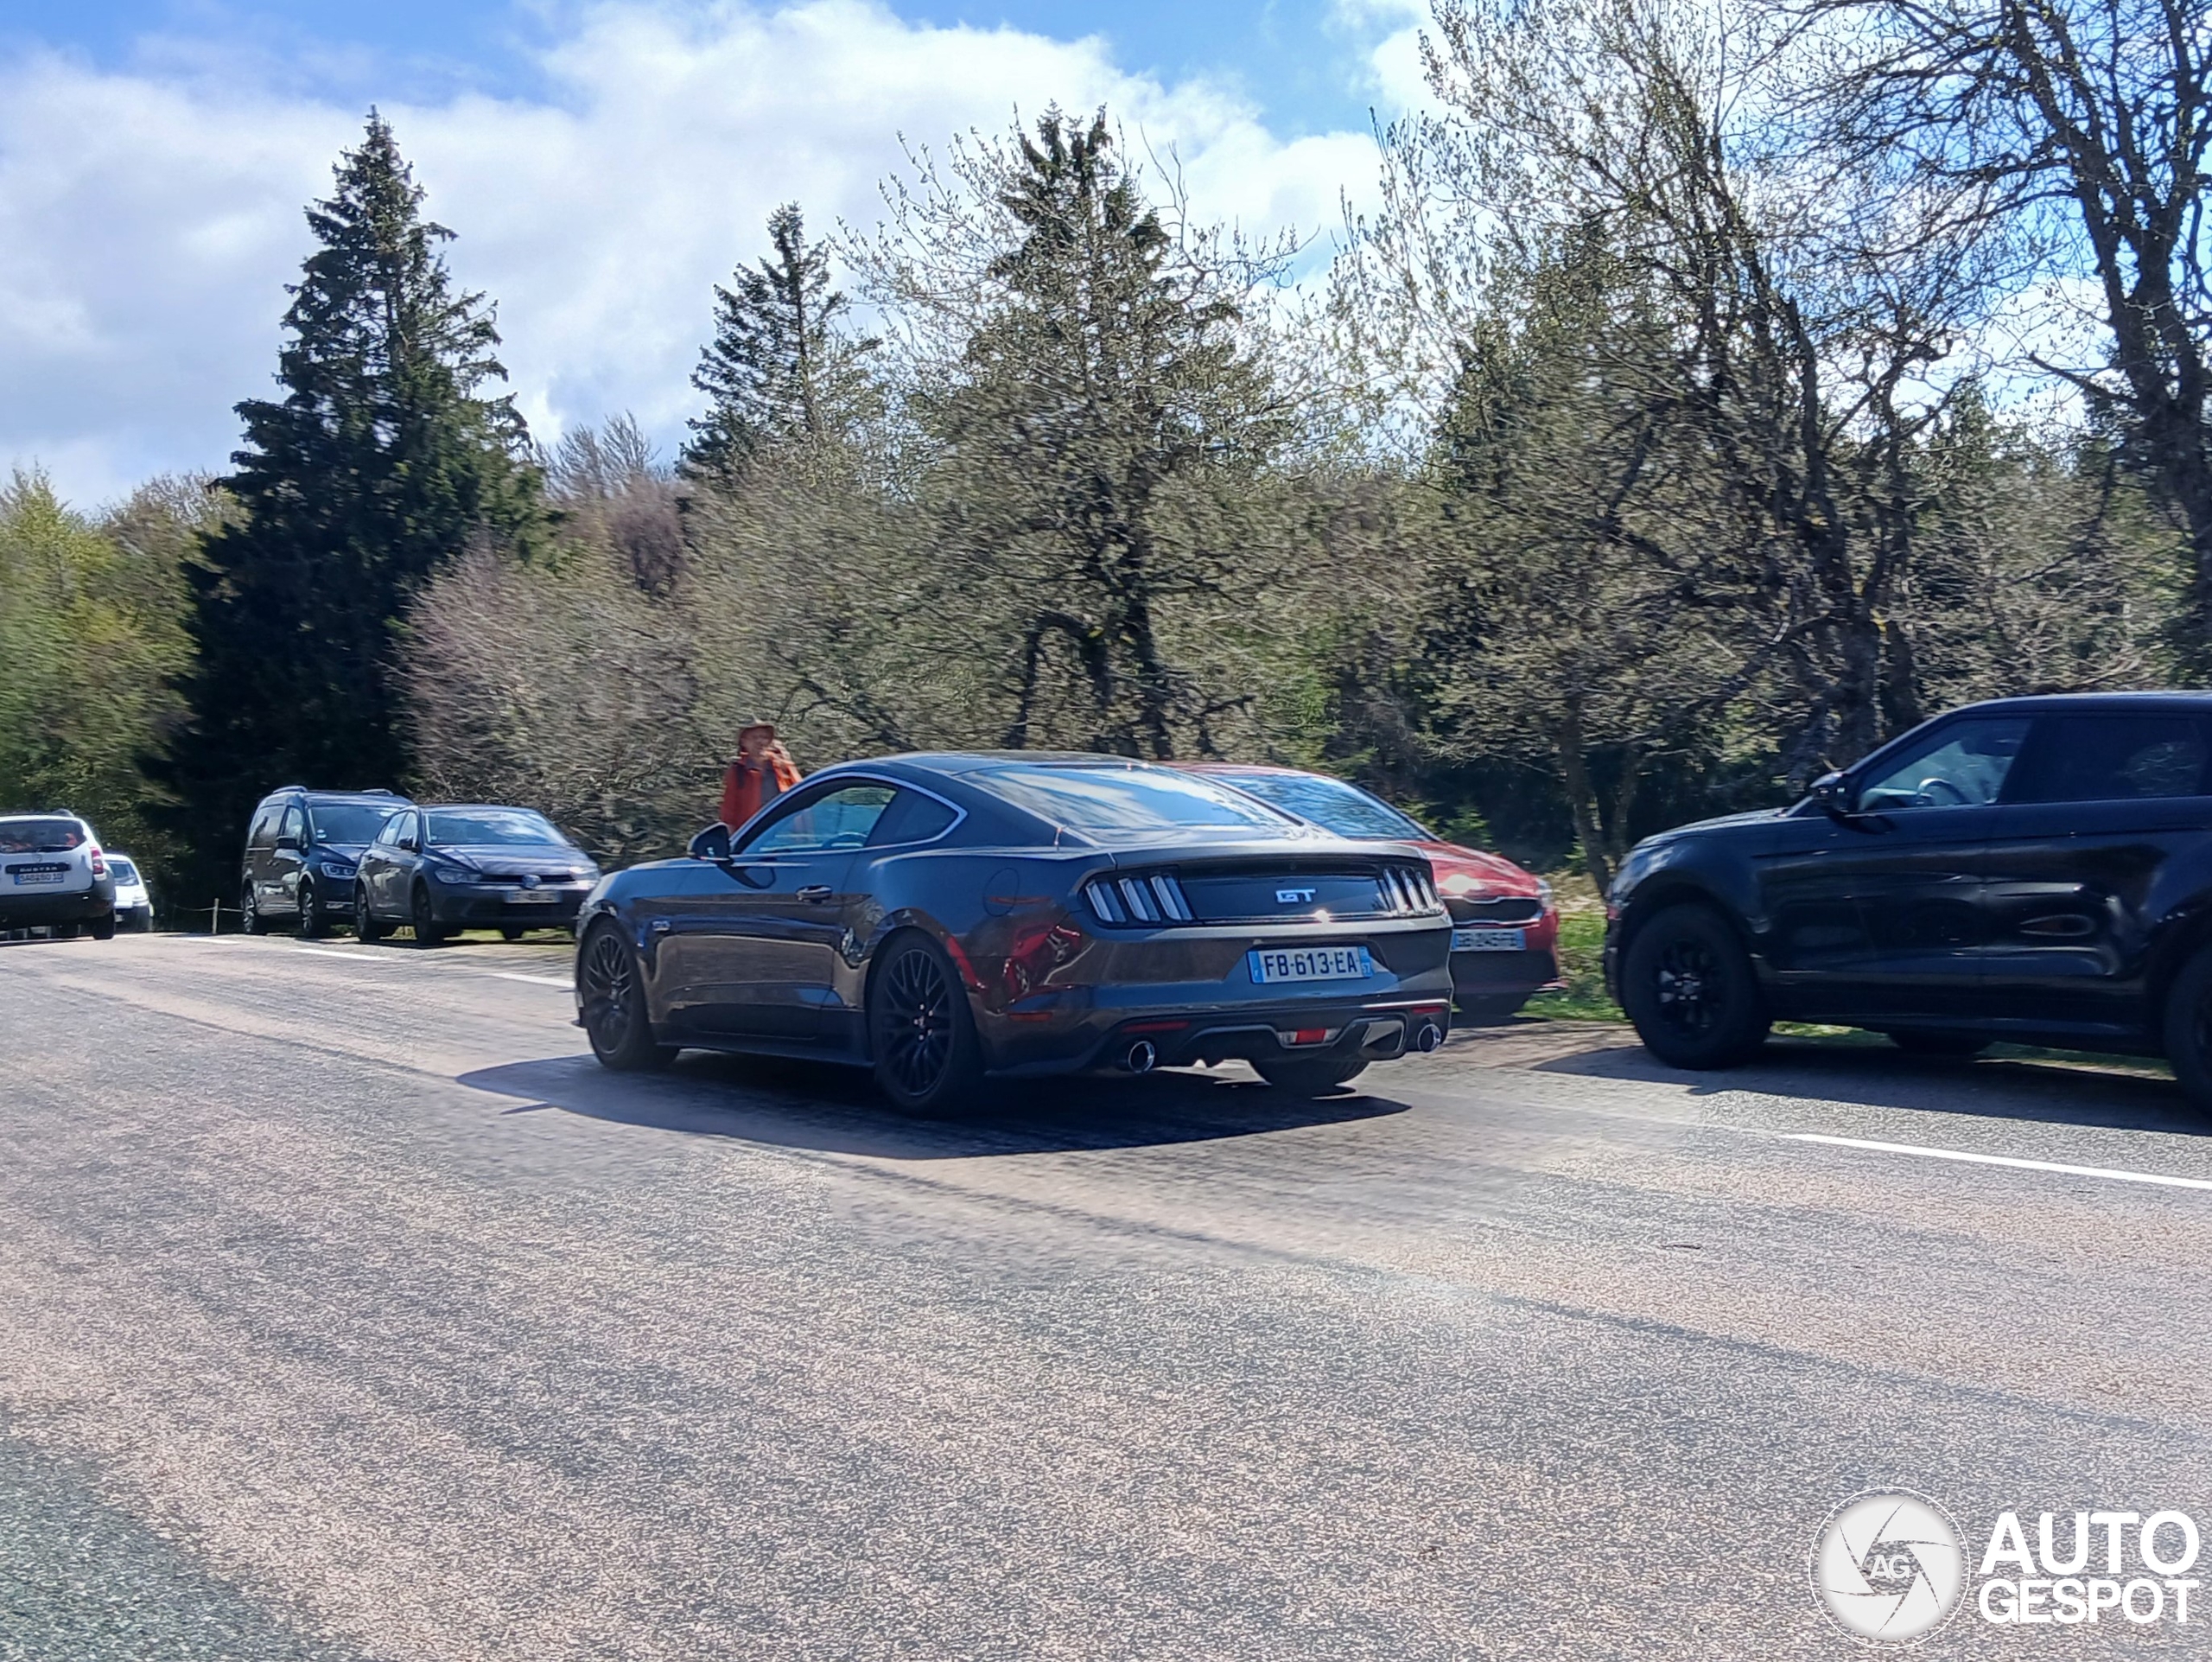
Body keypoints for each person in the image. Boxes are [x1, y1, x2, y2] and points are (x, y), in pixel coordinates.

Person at [720, 723, 803, 831]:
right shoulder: (738, 771)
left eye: (764, 737)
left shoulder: (784, 767)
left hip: (783, 831)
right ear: (744, 742)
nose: (760, 741)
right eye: (754, 737)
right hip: (753, 835)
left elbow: (802, 798)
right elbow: (729, 812)